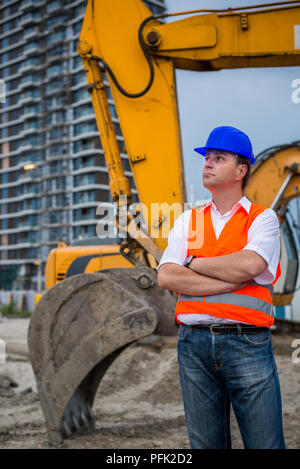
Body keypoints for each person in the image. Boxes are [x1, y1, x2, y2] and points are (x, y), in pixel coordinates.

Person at [157, 126, 285, 449]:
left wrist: (194, 263)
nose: (207, 164)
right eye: (207, 158)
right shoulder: (189, 221)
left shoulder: (262, 219)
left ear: (241, 170)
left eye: (219, 158)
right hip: (193, 347)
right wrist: (230, 278)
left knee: (265, 444)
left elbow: (252, 265)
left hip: (248, 345)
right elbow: (167, 276)